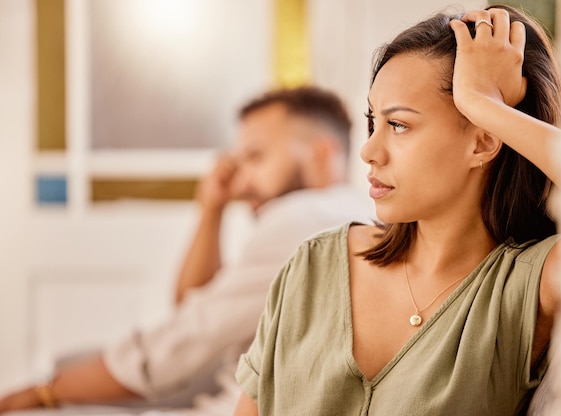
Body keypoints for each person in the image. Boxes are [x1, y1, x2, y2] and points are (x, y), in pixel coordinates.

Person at [233, 5, 561, 416]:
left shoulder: (526, 288)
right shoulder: (312, 266)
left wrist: (486, 107)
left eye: (400, 125)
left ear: (482, 142)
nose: (369, 151)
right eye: (374, 121)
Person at [0, 86, 373, 414]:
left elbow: (176, 346)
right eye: (237, 164)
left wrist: (43, 393)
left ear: (322, 156)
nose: (241, 182)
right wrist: (211, 208)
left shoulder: (299, 221)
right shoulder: (357, 214)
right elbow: (196, 310)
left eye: (256, 157)